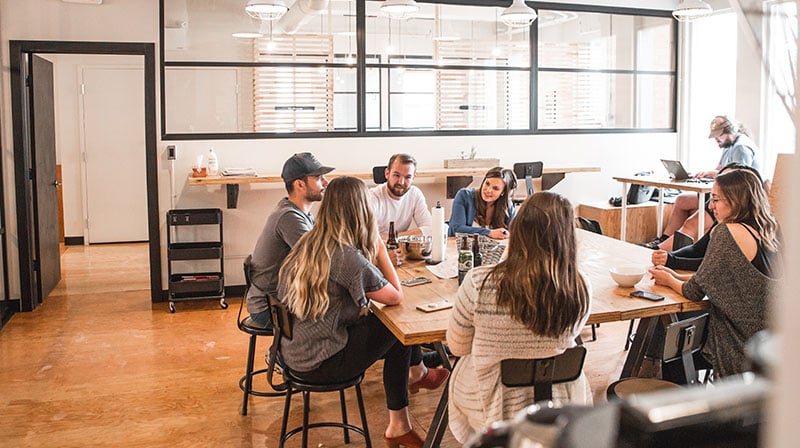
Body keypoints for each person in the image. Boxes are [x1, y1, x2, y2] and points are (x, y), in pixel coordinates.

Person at [277, 176, 448, 448]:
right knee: (396, 327)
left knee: (387, 328)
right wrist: (379, 246)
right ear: (362, 211)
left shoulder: (310, 242)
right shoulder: (346, 257)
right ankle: (403, 412)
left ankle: (409, 398)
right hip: (322, 362)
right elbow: (395, 295)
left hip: (294, 351)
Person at [446, 192, 593, 443]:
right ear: (568, 236)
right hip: (559, 401)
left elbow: (457, 347)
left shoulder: (480, 282)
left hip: (491, 401)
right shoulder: (579, 286)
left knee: (462, 369)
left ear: (518, 229)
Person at [648, 169, 780, 379]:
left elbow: (693, 292)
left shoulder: (727, 232)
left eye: (716, 199)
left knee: (671, 351)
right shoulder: (767, 230)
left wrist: (668, 279)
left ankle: (688, 408)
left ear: (736, 200)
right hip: (771, 341)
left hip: (739, 344)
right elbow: (720, 278)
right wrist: (675, 275)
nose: (710, 206)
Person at [245, 152, 334, 330]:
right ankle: (287, 356)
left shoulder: (301, 214)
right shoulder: (289, 218)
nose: (325, 183)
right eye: (318, 177)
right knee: (342, 318)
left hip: (282, 301)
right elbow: (321, 259)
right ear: (300, 184)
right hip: (271, 309)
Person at [644, 116, 760, 250]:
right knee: (682, 200)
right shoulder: (729, 146)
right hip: (724, 193)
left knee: (691, 223)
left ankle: (662, 251)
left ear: (730, 131)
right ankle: (664, 239)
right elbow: (720, 169)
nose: (716, 140)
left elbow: (739, 179)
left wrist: (713, 174)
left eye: (719, 136)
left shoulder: (741, 148)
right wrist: (703, 174)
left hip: (735, 199)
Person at [650, 163, 764, 271]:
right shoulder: (731, 221)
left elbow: (710, 269)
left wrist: (671, 261)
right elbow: (699, 249)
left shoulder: (736, 230)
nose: (710, 206)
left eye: (715, 199)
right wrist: (668, 256)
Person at [369, 153, 432, 238]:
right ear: (387, 173)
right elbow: (366, 236)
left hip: (400, 247)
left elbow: (430, 229)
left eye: (407, 177)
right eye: (397, 175)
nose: (401, 182)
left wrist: (395, 238)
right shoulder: (372, 197)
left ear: (413, 178)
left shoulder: (415, 194)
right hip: (376, 249)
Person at [448, 167, 517, 239]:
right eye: (487, 183)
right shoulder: (464, 196)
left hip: (493, 249)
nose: (488, 190)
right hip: (459, 248)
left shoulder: (507, 205)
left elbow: (515, 232)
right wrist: (489, 232)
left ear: (503, 192)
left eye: (495, 188)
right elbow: (456, 229)